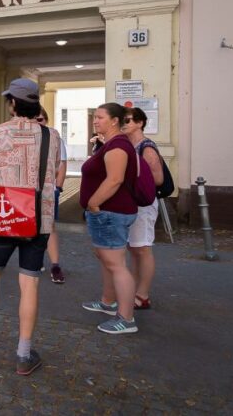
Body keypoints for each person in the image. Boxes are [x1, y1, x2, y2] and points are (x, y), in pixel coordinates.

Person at [0, 78, 60, 376]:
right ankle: (23, 354)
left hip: (4, 219)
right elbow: (52, 169)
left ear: (13, 103)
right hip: (38, 220)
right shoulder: (52, 136)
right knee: (29, 283)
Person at [79, 103, 139, 335]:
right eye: (95, 117)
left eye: (100, 117)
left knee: (116, 264)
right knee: (107, 259)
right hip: (106, 213)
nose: (95, 121)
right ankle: (108, 302)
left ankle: (126, 318)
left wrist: (93, 203)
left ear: (114, 120)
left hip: (110, 212)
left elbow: (114, 180)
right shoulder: (111, 144)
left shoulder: (117, 146)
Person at [123, 107, 164, 310]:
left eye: (128, 120)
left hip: (144, 204)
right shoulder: (130, 146)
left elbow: (158, 178)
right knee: (135, 249)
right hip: (133, 203)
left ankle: (143, 294)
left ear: (140, 123)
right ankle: (135, 290)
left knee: (143, 249)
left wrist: (133, 179)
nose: (124, 124)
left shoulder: (146, 147)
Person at [36, 108, 67, 284]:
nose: (37, 123)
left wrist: (59, 187)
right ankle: (36, 258)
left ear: (46, 120)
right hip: (28, 191)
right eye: (34, 120)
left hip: (48, 189)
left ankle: (55, 265)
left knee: (50, 226)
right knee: (32, 226)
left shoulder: (54, 137)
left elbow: (61, 164)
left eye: (40, 119)